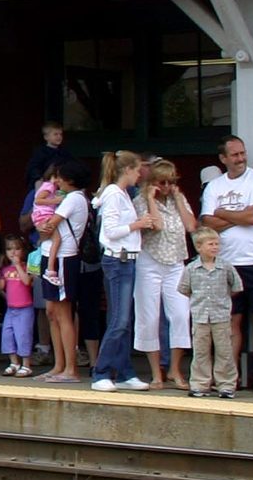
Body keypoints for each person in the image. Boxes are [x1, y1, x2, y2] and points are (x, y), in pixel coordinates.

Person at [199, 135, 253, 393]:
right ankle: (229, 375)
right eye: (234, 155)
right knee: (231, 319)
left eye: (242, 153)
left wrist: (223, 213)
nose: (240, 158)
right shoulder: (214, 186)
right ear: (223, 159)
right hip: (228, 262)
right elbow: (206, 222)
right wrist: (239, 216)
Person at [133, 159, 197, 389]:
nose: (168, 187)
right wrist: (150, 197)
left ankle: (175, 370)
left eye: (171, 182)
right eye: (163, 182)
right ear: (152, 182)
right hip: (150, 261)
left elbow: (191, 227)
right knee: (149, 316)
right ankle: (155, 373)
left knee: (180, 314)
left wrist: (179, 199)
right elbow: (156, 226)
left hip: (176, 262)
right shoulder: (140, 201)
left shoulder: (177, 199)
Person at [88, 151, 149, 392]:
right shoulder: (114, 194)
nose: (139, 175)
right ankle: (100, 371)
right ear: (126, 170)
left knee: (125, 319)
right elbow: (110, 232)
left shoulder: (121, 193)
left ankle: (124, 371)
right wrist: (137, 224)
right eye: (136, 170)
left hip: (128, 260)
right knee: (119, 319)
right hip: (117, 261)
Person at [37, 161, 91, 382]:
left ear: (70, 179)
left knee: (63, 312)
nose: (56, 181)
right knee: (51, 311)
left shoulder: (75, 198)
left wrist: (44, 225)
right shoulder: (69, 198)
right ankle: (59, 365)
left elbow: (50, 225)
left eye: (60, 177)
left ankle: (71, 368)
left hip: (63, 257)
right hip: (50, 253)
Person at [179, 230, 243, 397]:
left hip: (221, 316)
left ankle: (226, 384)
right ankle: (200, 384)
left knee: (224, 351)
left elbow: (236, 286)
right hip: (200, 317)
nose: (215, 247)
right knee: (200, 351)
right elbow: (185, 289)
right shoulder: (191, 268)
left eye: (216, 244)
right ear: (199, 247)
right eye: (211, 244)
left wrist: (223, 300)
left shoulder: (225, 266)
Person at [0, 241, 36, 377]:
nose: (13, 252)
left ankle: (26, 364)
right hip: (11, 309)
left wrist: (17, 265)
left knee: (23, 335)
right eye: (9, 249)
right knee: (7, 335)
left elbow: (27, 281)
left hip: (25, 308)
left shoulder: (28, 266)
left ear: (23, 251)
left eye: (17, 249)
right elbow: (0, 286)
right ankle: (14, 362)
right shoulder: (5, 270)